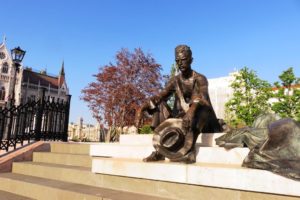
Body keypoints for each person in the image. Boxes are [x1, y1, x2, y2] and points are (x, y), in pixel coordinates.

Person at [135, 45, 222, 163]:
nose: (180, 63)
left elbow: (203, 97)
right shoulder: (175, 80)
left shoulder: (200, 78)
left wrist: (191, 111)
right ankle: (159, 150)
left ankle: (190, 152)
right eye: (177, 61)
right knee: (159, 105)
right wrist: (141, 108)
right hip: (181, 118)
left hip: (202, 120)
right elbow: (160, 96)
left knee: (200, 107)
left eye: (183, 60)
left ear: (191, 60)